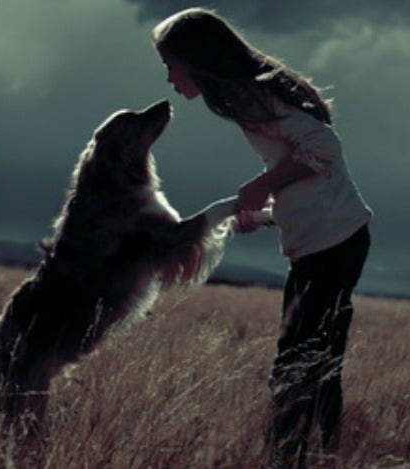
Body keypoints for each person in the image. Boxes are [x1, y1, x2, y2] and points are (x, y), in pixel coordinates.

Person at [150, 7, 373, 468]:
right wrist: (269, 213)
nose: (170, 79)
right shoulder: (249, 100)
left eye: (171, 66)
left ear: (198, 59)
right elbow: (311, 178)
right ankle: (322, 456)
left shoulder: (254, 97)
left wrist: (263, 188)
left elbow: (326, 149)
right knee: (320, 364)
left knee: (294, 366)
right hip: (336, 240)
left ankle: (284, 459)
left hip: (332, 246)